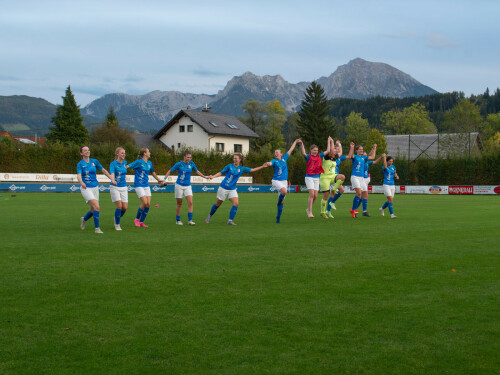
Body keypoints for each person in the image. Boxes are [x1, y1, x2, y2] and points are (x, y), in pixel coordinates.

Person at [205, 154, 268, 225]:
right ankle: (209, 216)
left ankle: (230, 221)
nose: (234, 159)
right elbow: (221, 172)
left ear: (240, 160)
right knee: (217, 204)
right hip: (223, 188)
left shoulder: (242, 168)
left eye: (236, 158)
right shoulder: (229, 166)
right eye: (234, 158)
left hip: (232, 189)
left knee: (236, 203)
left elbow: (252, 170)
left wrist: (262, 166)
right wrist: (213, 176)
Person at [164, 150, 210, 226]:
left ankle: (190, 220)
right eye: (188, 157)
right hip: (179, 186)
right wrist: (164, 179)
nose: (189, 159)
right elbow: (170, 171)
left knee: (190, 202)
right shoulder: (179, 164)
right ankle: (178, 220)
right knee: (179, 203)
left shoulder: (191, 164)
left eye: (190, 157)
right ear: (184, 157)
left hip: (187, 186)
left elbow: (197, 171)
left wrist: (204, 177)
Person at [77, 145, 116, 234]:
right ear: (81, 153)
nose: (87, 151)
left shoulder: (94, 161)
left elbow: (103, 170)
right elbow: (79, 175)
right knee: (97, 207)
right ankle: (97, 228)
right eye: (85, 150)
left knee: (92, 209)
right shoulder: (80, 164)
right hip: (86, 188)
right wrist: (81, 182)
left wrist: (111, 179)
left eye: (88, 150)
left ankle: (84, 219)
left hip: (95, 187)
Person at [128, 148, 164, 227]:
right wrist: (120, 168)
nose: (150, 153)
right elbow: (128, 166)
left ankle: (141, 222)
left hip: (146, 185)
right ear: (144, 153)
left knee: (148, 204)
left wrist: (158, 180)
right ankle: (136, 219)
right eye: (149, 152)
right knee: (144, 203)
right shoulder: (138, 162)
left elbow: (153, 173)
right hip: (138, 185)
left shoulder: (149, 163)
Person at [266, 139, 300, 223]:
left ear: (281, 154)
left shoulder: (284, 158)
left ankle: (278, 217)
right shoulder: (274, 161)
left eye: (277, 152)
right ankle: (279, 203)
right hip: (276, 181)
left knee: (282, 201)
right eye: (275, 153)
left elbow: (290, 150)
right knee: (284, 192)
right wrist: (268, 164)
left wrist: (295, 142)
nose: (276, 153)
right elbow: (270, 163)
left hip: (284, 182)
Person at [299, 137, 331, 218]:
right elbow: (303, 153)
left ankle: (308, 209)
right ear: (311, 151)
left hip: (317, 178)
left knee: (316, 196)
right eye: (314, 150)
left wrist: (329, 141)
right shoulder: (308, 157)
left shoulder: (319, 156)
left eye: (316, 150)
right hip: (309, 177)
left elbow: (327, 151)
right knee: (312, 194)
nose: (315, 152)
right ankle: (309, 212)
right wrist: (302, 144)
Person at [346, 142, 377, 218]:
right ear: (357, 150)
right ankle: (354, 209)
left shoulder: (364, 158)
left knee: (365, 195)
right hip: (355, 177)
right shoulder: (355, 156)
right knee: (359, 193)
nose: (361, 150)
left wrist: (374, 148)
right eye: (360, 149)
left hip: (362, 178)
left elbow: (373, 157)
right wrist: (352, 147)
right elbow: (350, 155)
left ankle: (353, 209)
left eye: (362, 149)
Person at [319, 138, 345, 219]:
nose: (335, 151)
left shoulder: (335, 157)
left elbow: (340, 152)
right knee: (325, 197)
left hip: (332, 177)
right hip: (325, 178)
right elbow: (328, 150)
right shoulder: (326, 156)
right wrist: (330, 141)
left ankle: (334, 189)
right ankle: (323, 212)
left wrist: (338, 144)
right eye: (333, 150)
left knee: (342, 177)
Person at [109, 147, 129, 231]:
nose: (123, 154)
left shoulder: (125, 163)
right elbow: (112, 173)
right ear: (117, 154)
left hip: (124, 186)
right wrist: (113, 180)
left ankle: (116, 217)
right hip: (115, 187)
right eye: (122, 153)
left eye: (124, 153)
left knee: (124, 208)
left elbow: (129, 166)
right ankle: (117, 225)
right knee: (119, 206)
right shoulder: (113, 164)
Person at [360, 152, 384, 217]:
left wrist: (381, 157)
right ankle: (362, 211)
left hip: (366, 180)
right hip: (362, 180)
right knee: (364, 195)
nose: (366, 157)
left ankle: (356, 209)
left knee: (362, 196)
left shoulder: (367, 162)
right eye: (364, 156)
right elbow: (370, 155)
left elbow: (375, 162)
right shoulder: (361, 162)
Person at [326, 142, 347, 213]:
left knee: (332, 194)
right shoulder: (329, 157)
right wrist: (331, 142)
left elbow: (341, 152)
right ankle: (331, 203)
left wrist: (340, 145)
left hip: (336, 176)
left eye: (337, 150)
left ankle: (327, 211)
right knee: (341, 190)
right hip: (332, 177)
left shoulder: (337, 157)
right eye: (335, 150)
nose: (337, 151)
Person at [380, 154, 399, 218]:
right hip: (386, 185)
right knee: (390, 199)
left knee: (390, 200)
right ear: (387, 161)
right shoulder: (384, 166)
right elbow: (385, 167)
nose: (391, 162)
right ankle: (392, 215)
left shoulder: (393, 167)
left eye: (392, 161)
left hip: (392, 185)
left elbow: (395, 173)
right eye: (390, 161)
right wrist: (384, 158)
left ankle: (382, 209)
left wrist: (396, 176)